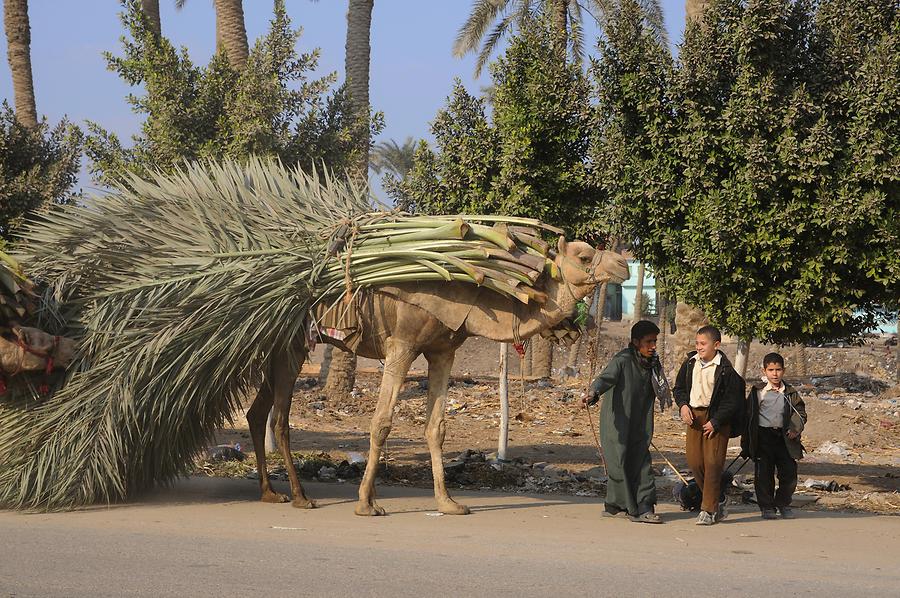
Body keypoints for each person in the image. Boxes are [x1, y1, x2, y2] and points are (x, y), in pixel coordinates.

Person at [584, 320, 670, 524]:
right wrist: (592, 393)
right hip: (617, 423)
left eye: (655, 341)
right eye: (648, 342)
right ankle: (618, 505)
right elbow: (606, 378)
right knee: (619, 463)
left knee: (641, 461)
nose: (653, 346)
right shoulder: (622, 359)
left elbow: (659, 387)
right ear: (635, 342)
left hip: (640, 421)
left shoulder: (652, 364)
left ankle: (643, 506)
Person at [673, 325, 744, 525]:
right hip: (694, 418)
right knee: (695, 462)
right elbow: (679, 389)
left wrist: (716, 421)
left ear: (716, 345)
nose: (699, 347)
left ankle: (708, 510)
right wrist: (683, 406)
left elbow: (731, 401)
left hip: (717, 420)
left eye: (703, 344)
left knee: (713, 464)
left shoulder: (726, 370)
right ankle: (717, 499)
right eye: (697, 343)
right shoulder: (690, 363)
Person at [740, 352, 807, 520]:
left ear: (783, 371)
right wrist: (747, 444)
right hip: (763, 437)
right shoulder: (758, 392)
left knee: (789, 473)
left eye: (778, 370)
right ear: (764, 371)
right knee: (763, 474)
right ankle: (767, 507)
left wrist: (795, 429)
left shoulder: (790, 392)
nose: (775, 374)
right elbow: (748, 417)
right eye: (771, 370)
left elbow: (800, 413)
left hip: (785, 437)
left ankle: (783, 504)